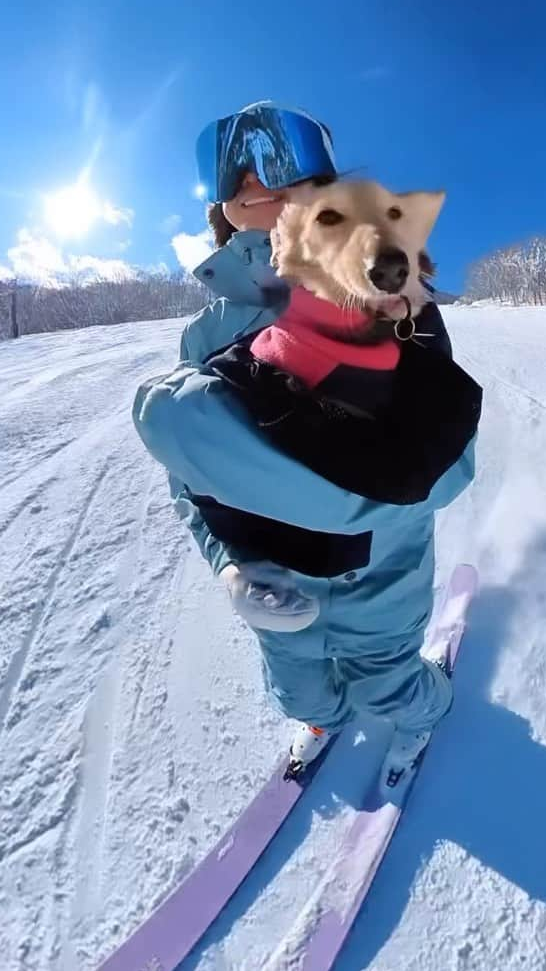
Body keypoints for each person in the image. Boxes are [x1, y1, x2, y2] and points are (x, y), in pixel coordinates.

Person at [133, 101, 480, 792]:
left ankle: (420, 712)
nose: (253, 175)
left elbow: (445, 460)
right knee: (298, 690)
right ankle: (320, 718)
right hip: (271, 575)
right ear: (218, 207)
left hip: (378, 570)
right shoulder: (205, 337)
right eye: (225, 158)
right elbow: (188, 475)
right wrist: (230, 563)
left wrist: (351, 510)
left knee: (388, 685)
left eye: (282, 151)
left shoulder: (385, 292)